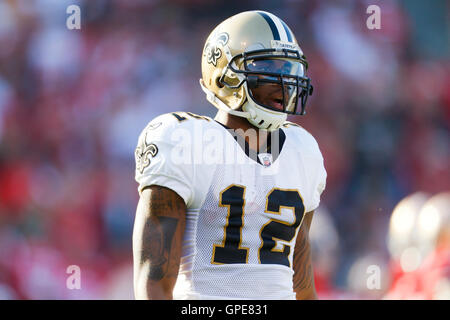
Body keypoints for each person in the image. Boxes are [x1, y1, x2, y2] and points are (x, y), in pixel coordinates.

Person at [132, 10, 327, 300]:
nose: (284, 82)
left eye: (289, 69)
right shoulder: (187, 141)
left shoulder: (303, 149)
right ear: (225, 74)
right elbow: (154, 281)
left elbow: (300, 279)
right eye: (269, 68)